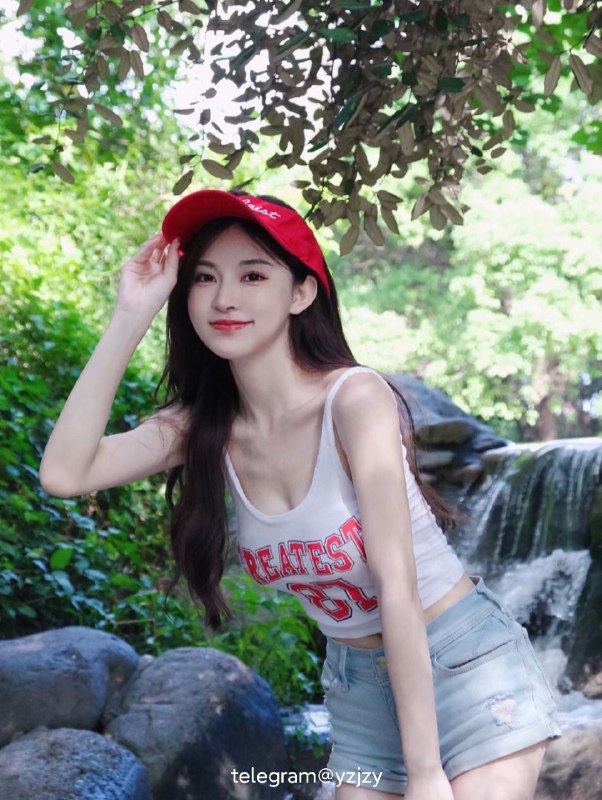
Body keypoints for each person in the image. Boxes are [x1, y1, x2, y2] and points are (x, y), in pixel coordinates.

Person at [40, 190, 561, 800]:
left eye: (253, 275)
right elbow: (66, 474)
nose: (224, 297)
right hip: (358, 687)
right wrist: (131, 314)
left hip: (461, 662)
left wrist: (425, 774)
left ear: (301, 293)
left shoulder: (354, 399)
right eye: (204, 277)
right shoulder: (203, 425)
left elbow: (398, 588)